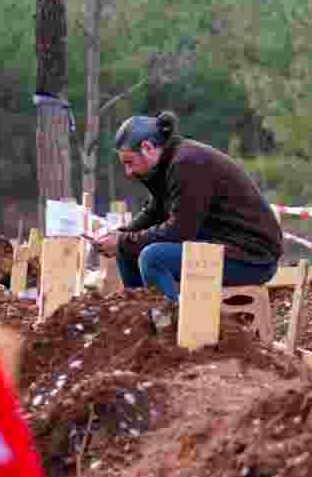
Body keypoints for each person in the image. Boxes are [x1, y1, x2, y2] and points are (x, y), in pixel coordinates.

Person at [93, 111, 283, 333]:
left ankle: (168, 334)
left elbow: (180, 231)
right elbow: (156, 210)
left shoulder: (187, 163)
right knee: (127, 251)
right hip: (221, 243)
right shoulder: (167, 163)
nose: (128, 172)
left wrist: (123, 240)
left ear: (147, 147)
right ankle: (143, 328)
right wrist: (120, 235)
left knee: (153, 258)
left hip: (253, 257)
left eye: (129, 162)